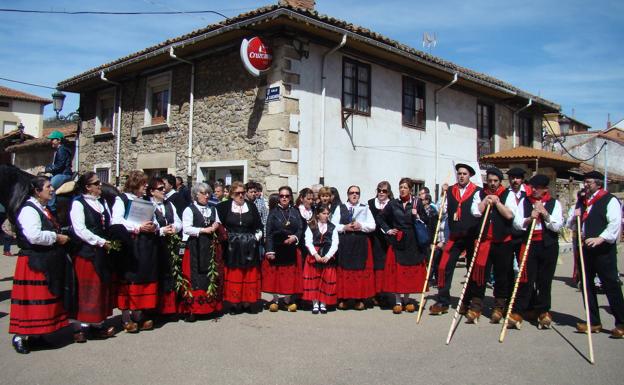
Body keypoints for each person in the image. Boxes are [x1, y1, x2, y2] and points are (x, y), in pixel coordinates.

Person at [9, 176, 71, 354]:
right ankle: (19, 336)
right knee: (30, 302)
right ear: (37, 191)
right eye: (48, 186)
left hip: (43, 260)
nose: (52, 189)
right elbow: (34, 236)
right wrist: (56, 238)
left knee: (42, 301)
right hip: (33, 261)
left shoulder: (42, 209)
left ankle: (38, 335)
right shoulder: (28, 210)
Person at [571, 171, 624, 337]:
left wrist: (600, 239)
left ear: (598, 184)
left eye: (589, 182)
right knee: (587, 286)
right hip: (585, 248)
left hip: (603, 250)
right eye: (585, 182)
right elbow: (572, 223)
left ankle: (621, 323)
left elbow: (615, 224)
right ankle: (593, 321)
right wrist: (575, 218)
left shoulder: (609, 200)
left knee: (611, 285)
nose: (586, 185)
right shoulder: (582, 201)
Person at [508, 174, 563, 330]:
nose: (533, 190)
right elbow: (517, 223)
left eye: (537, 188)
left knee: (544, 281)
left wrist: (545, 214)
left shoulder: (554, 203)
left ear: (545, 189)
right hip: (529, 244)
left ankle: (543, 311)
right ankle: (519, 311)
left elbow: (557, 226)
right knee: (525, 279)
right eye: (532, 187)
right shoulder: (525, 201)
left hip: (548, 245)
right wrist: (529, 218)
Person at [463, 167, 516, 323]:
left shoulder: (508, 194)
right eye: (490, 181)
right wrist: (486, 201)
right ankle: (476, 306)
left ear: (500, 182)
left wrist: (498, 203)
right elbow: (475, 212)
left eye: (495, 181)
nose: (492, 184)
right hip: (484, 240)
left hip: (502, 242)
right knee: (480, 275)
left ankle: (499, 306)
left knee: (501, 275)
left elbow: (510, 215)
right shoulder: (479, 194)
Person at [69, 172, 116, 342]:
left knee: (98, 288)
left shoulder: (102, 203)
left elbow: (108, 224)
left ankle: (96, 324)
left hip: (101, 251)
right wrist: (100, 241)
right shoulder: (78, 204)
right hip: (86, 252)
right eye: (96, 183)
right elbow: (80, 230)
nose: (100, 186)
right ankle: (78, 328)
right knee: (84, 290)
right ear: (88, 187)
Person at [429, 164, 481, 315]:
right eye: (459, 173)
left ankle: (467, 301)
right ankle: (443, 300)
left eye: (464, 174)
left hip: (471, 236)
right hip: (454, 235)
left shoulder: (477, 191)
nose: (461, 176)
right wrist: (443, 195)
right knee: (444, 267)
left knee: (471, 269)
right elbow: (441, 210)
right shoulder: (450, 190)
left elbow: (477, 212)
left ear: (469, 175)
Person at [111, 170, 158, 333]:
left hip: (146, 244)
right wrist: (138, 227)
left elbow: (155, 219)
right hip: (130, 243)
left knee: (143, 278)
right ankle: (126, 317)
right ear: (134, 183)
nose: (146, 186)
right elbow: (116, 221)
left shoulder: (147, 200)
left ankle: (139, 314)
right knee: (129, 279)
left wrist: (153, 226)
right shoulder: (122, 199)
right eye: (143, 183)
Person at [378, 178, 431, 314]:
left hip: (413, 240)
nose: (402, 189)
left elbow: (426, 220)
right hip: (398, 239)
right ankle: (397, 301)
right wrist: (388, 230)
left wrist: (418, 215)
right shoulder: (393, 204)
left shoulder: (416, 203)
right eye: (400, 187)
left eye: (405, 187)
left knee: (409, 270)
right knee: (397, 270)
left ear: (411, 189)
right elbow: (381, 218)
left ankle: (407, 301)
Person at [216, 181, 263, 314]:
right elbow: (218, 224)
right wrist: (226, 236)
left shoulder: (251, 206)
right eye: (238, 193)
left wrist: (256, 237)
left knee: (248, 274)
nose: (241, 195)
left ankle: (247, 302)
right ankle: (234, 303)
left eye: (243, 193)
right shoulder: (223, 207)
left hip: (249, 246)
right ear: (231, 194)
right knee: (235, 274)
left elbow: (259, 226)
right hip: (232, 247)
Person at [181, 183, 224, 321]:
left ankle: (209, 308)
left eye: (208, 193)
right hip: (195, 246)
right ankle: (193, 310)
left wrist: (216, 225)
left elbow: (217, 222)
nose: (207, 196)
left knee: (209, 276)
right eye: (203, 193)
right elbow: (186, 228)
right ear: (196, 195)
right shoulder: (189, 210)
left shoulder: (212, 209)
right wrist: (202, 230)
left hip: (210, 247)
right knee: (195, 277)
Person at [332, 185, 376, 310]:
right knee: (344, 270)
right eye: (352, 193)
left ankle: (359, 299)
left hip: (360, 242)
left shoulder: (365, 208)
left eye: (357, 193)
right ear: (348, 194)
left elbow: (373, 225)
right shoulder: (340, 208)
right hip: (345, 242)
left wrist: (360, 225)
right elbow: (333, 225)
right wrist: (344, 227)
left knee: (359, 271)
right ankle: (344, 298)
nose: (354, 195)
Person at [263, 186, 303, 312]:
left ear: (291, 197)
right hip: (276, 247)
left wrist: (295, 237)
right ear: (279, 198)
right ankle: (274, 301)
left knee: (289, 277)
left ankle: (286, 300)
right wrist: (269, 250)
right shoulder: (273, 212)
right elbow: (268, 232)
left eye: (287, 196)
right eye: (281, 196)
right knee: (275, 276)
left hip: (291, 248)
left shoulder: (296, 211)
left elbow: (301, 228)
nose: (284, 198)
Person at [149, 177, 183, 318]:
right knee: (158, 274)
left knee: (171, 274)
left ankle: (170, 309)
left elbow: (178, 221)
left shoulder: (169, 205)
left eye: (164, 188)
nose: (164, 191)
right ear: (152, 192)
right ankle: (155, 310)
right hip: (155, 244)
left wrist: (174, 228)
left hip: (170, 244)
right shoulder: (148, 206)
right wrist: (162, 230)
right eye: (160, 189)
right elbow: (149, 224)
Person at [302, 205, 339, 314]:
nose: (326, 216)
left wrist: (328, 256)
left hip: (328, 255)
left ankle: (323, 303)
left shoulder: (333, 227)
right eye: (324, 213)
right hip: (314, 256)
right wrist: (315, 255)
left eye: (328, 214)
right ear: (318, 214)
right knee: (314, 280)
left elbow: (335, 243)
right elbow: (308, 241)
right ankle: (315, 303)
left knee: (326, 280)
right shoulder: (311, 225)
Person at [368, 181, 393, 301]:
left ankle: (386, 293)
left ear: (389, 192)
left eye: (384, 191)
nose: (381, 193)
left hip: (388, 240)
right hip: (374, 239)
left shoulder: (393, 204)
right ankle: (375, 293)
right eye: (379, 190)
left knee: (386, 266)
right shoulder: (371, 203)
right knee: (375, 266)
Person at [45, 130, 73, 214]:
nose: (51, 142)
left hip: (64, 174)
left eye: (52, 139)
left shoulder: (62, 150)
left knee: (50, 187)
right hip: (60, 173)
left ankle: (51, 209)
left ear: (59, 140)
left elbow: (59, 165)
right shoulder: (59, 150)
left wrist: (46, 169)